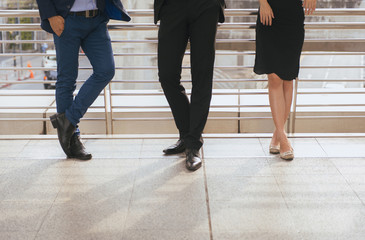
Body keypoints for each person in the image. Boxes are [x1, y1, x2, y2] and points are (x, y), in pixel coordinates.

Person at [36, 0, 130, 160]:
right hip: (66, 19)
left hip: (96, 19)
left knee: (106, 70)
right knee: (67, 79)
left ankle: (68, 120)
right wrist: (51, 15)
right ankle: (73, 138)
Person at [154, 0, 225, 171]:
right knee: (167, 75)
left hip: (206, 6)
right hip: (172, 6)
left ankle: (193, 143)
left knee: (202, 75)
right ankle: (187, 134)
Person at [254, 0, 316, 160]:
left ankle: (277, 135)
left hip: (292, 16)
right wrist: (262, 2)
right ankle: (283, 137)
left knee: (288, 78)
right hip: (269, 13)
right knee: (274, 78)